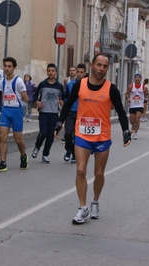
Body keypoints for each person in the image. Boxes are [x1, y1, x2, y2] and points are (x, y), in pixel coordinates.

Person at [54, 53, 132, 225]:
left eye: (105, 66)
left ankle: (95, 201)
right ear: (92, 65)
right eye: (99, 65)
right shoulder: (80, 85)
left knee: (98, 173)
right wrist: (59, 122)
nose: (101, 69)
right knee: (81, 170)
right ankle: (83, 208)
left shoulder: (111, 89)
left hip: (102, 136)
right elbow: (68, 104)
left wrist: (126, 130)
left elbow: (120, 111)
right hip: (82, 134)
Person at [0, 57, 29, 172]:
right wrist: (1, 108)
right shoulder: (2, 81)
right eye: (5, 66)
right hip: (5, 111)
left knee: (18, 139)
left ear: (14, 68)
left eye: (9, 66)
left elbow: (26, 98)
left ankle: (23, 155)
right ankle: (3, 162)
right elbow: (3, 95)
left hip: (16, 111)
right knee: (2, 137)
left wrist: (17, 98)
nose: (7, 68)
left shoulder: (18, 81)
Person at [31, 64, 64, 163]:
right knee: (43, 133)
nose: (51, 72)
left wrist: (62, 102)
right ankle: (37, 147)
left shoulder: (59, 86)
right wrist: (37, 102)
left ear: (56, 72)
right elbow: (35, 95)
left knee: (50, 136)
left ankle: (45, 155)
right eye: (49, 70)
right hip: (43, 112)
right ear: (47, 72)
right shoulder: (42, 84)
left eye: (53, 71)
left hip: (54, 113)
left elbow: (63, 98)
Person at [63, 63, 87, 163]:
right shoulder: (70, 85)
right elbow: (66, 97)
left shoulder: (87, 86)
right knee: (68, 134)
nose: (79, 74)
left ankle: (73, 154)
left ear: (85, 73)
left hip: (82, 114)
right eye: (78, 72)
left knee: (77, 136)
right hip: (71, 112)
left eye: (81, 72)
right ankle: (69, 149)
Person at [125, 73, 148, 140]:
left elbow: (147, 94)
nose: (137, 78)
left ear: (141, 79)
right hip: (132, 105)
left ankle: (135, 132)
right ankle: (133, 126)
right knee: (132, 121)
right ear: (135, 78)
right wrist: (128, 98)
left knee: (137, 118)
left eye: (139, 77)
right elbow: (126, 93)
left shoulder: (143, 87)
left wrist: (146, 98)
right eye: (136, 77)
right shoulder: (131, 86)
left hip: (140, 105)